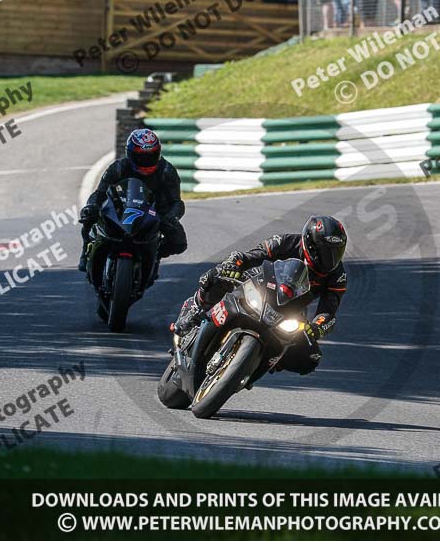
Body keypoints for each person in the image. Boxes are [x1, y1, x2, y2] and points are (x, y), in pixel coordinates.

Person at [173, 215, 348, 375]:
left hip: (291, 309)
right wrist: (234, 263)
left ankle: (256, 364)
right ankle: (194, 308)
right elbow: (252, 256)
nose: (330, 258)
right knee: (218, 277)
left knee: (310, 358)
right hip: (260, 284)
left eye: (336, 252)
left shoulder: (338, 276)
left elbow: (329, 310)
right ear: (310, 243)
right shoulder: (286, 242)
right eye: (326, 251)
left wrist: (317, 327)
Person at [78, 128, 187, 273]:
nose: (146, 162)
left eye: (151, 156)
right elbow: (100, 193)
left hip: (155, 213)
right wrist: (91, 206)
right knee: (89, 216)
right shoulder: (118, 168)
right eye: (141, 157)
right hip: (122, 209)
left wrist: (171, 217)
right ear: (130, 154)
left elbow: (177, 202)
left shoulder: (167, 171)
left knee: (179, 242)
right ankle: (86, 250)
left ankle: (155, 254)